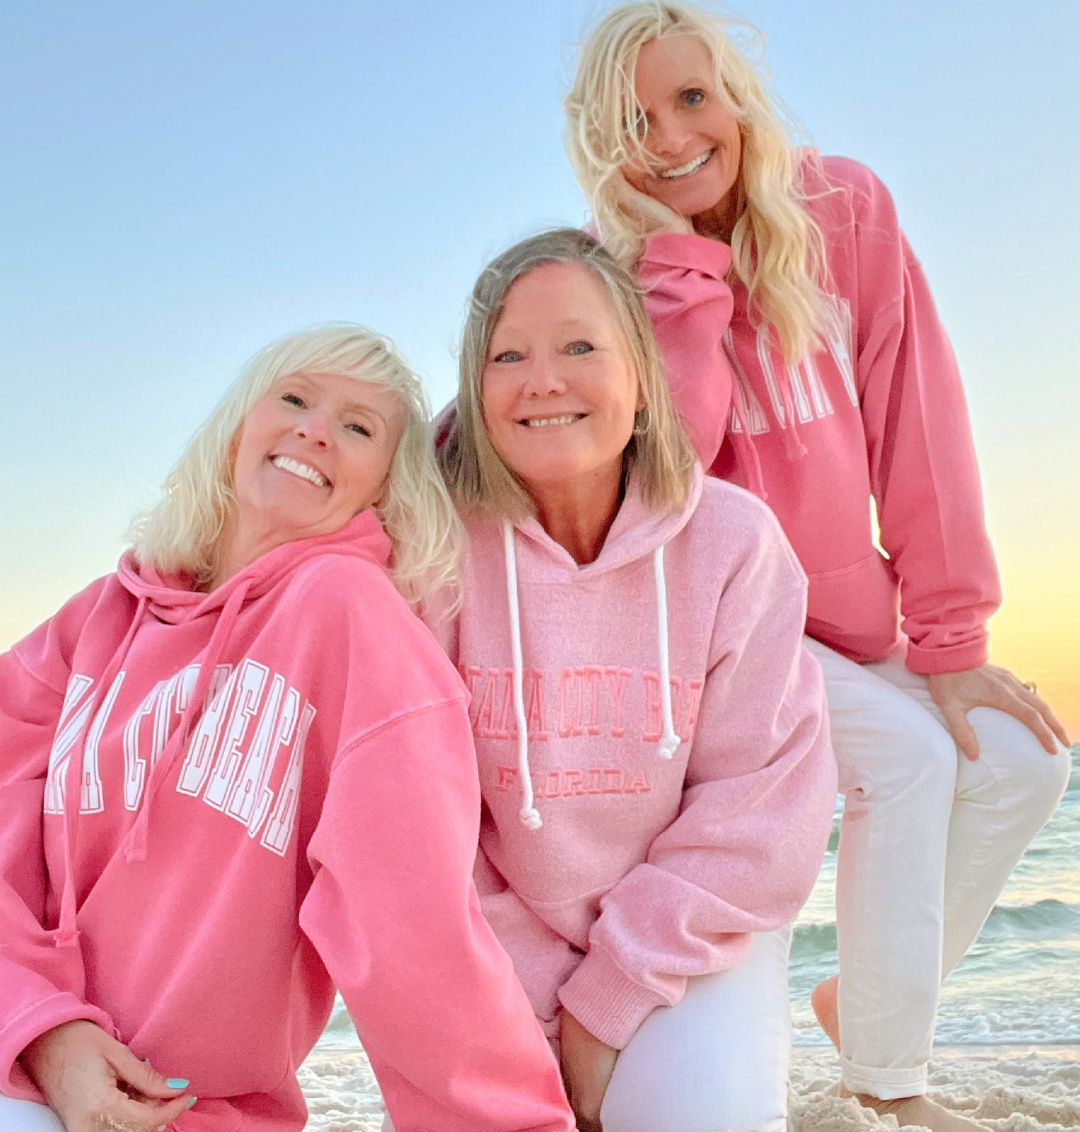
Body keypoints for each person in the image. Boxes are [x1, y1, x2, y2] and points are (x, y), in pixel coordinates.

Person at [563, 4, 1073, 1129]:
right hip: (721, 632)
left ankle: (866, 1004)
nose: (670, 137)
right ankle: (889, 1089)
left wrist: (952, 642)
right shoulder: (611, 281)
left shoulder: (846, 208)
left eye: (692, 99)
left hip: (851, 616)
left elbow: (920, 422)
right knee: (903, 759)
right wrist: (680, 273)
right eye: (632, 121)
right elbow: (669, 482)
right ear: (601, 146)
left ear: (736, 96)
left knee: (1022, 765)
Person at [0, 324, 575, 1132]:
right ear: (241, 423)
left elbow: (414, 934)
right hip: (21, 1053)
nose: (315, 429)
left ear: (383, 485)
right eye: (297, 398)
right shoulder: (97, 618)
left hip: (171, 1115)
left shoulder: (354, 625)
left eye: (358, 426)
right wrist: (47, 1032)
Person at [434, 227, 836, 1132]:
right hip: (490, 948)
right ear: (476, 384)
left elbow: (760, 808)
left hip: (689, 932)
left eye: (579, 346)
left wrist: (603, 999)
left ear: (643, 378)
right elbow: (421, 823)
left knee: (704, 1117)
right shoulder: (433, 556)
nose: (544, 379)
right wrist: (534, 1001)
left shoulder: (735, 546)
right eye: (508, 354)